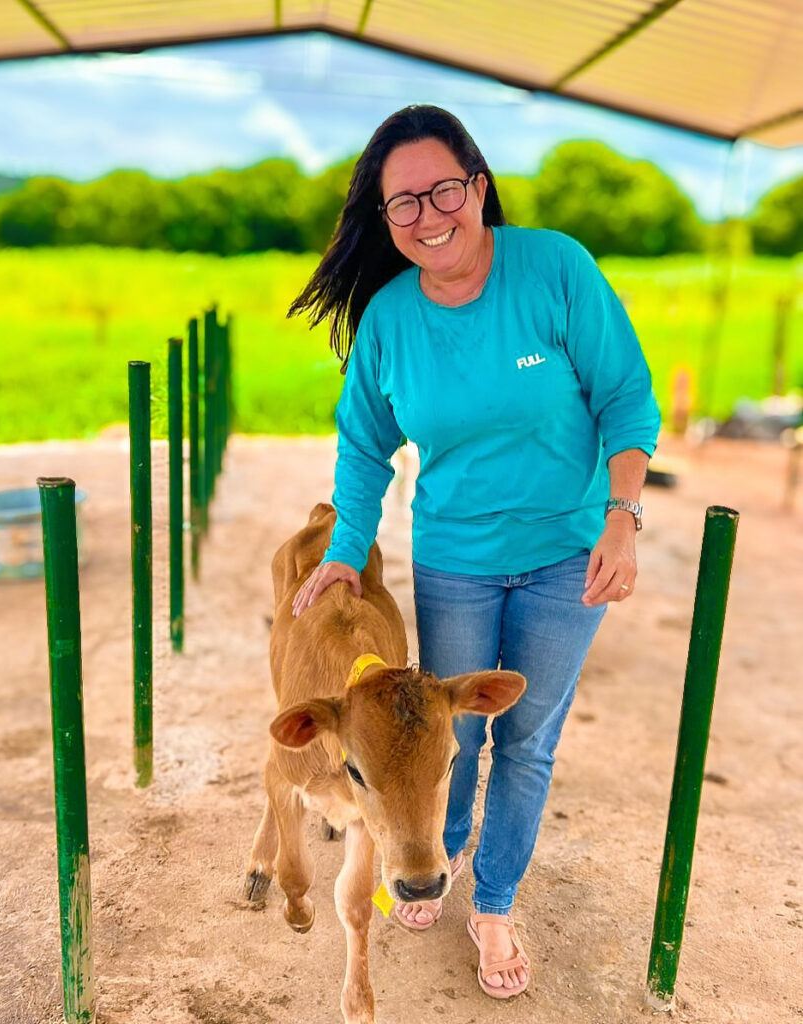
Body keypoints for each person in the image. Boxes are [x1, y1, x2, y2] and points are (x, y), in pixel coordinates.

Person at [288, 105, 660, 1000]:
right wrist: (345, 548)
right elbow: (363, 445)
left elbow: (625, 397)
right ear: (385, 219)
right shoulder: (389, 320)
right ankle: (437, 855)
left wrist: (620, 517)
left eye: (443, 191)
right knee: (440, 731)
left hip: (568, 552)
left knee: (526, 739)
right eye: (402, 203)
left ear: (478, 187)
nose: (427, 216)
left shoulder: (554, 269)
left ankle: (493, 903)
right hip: (453, 557)